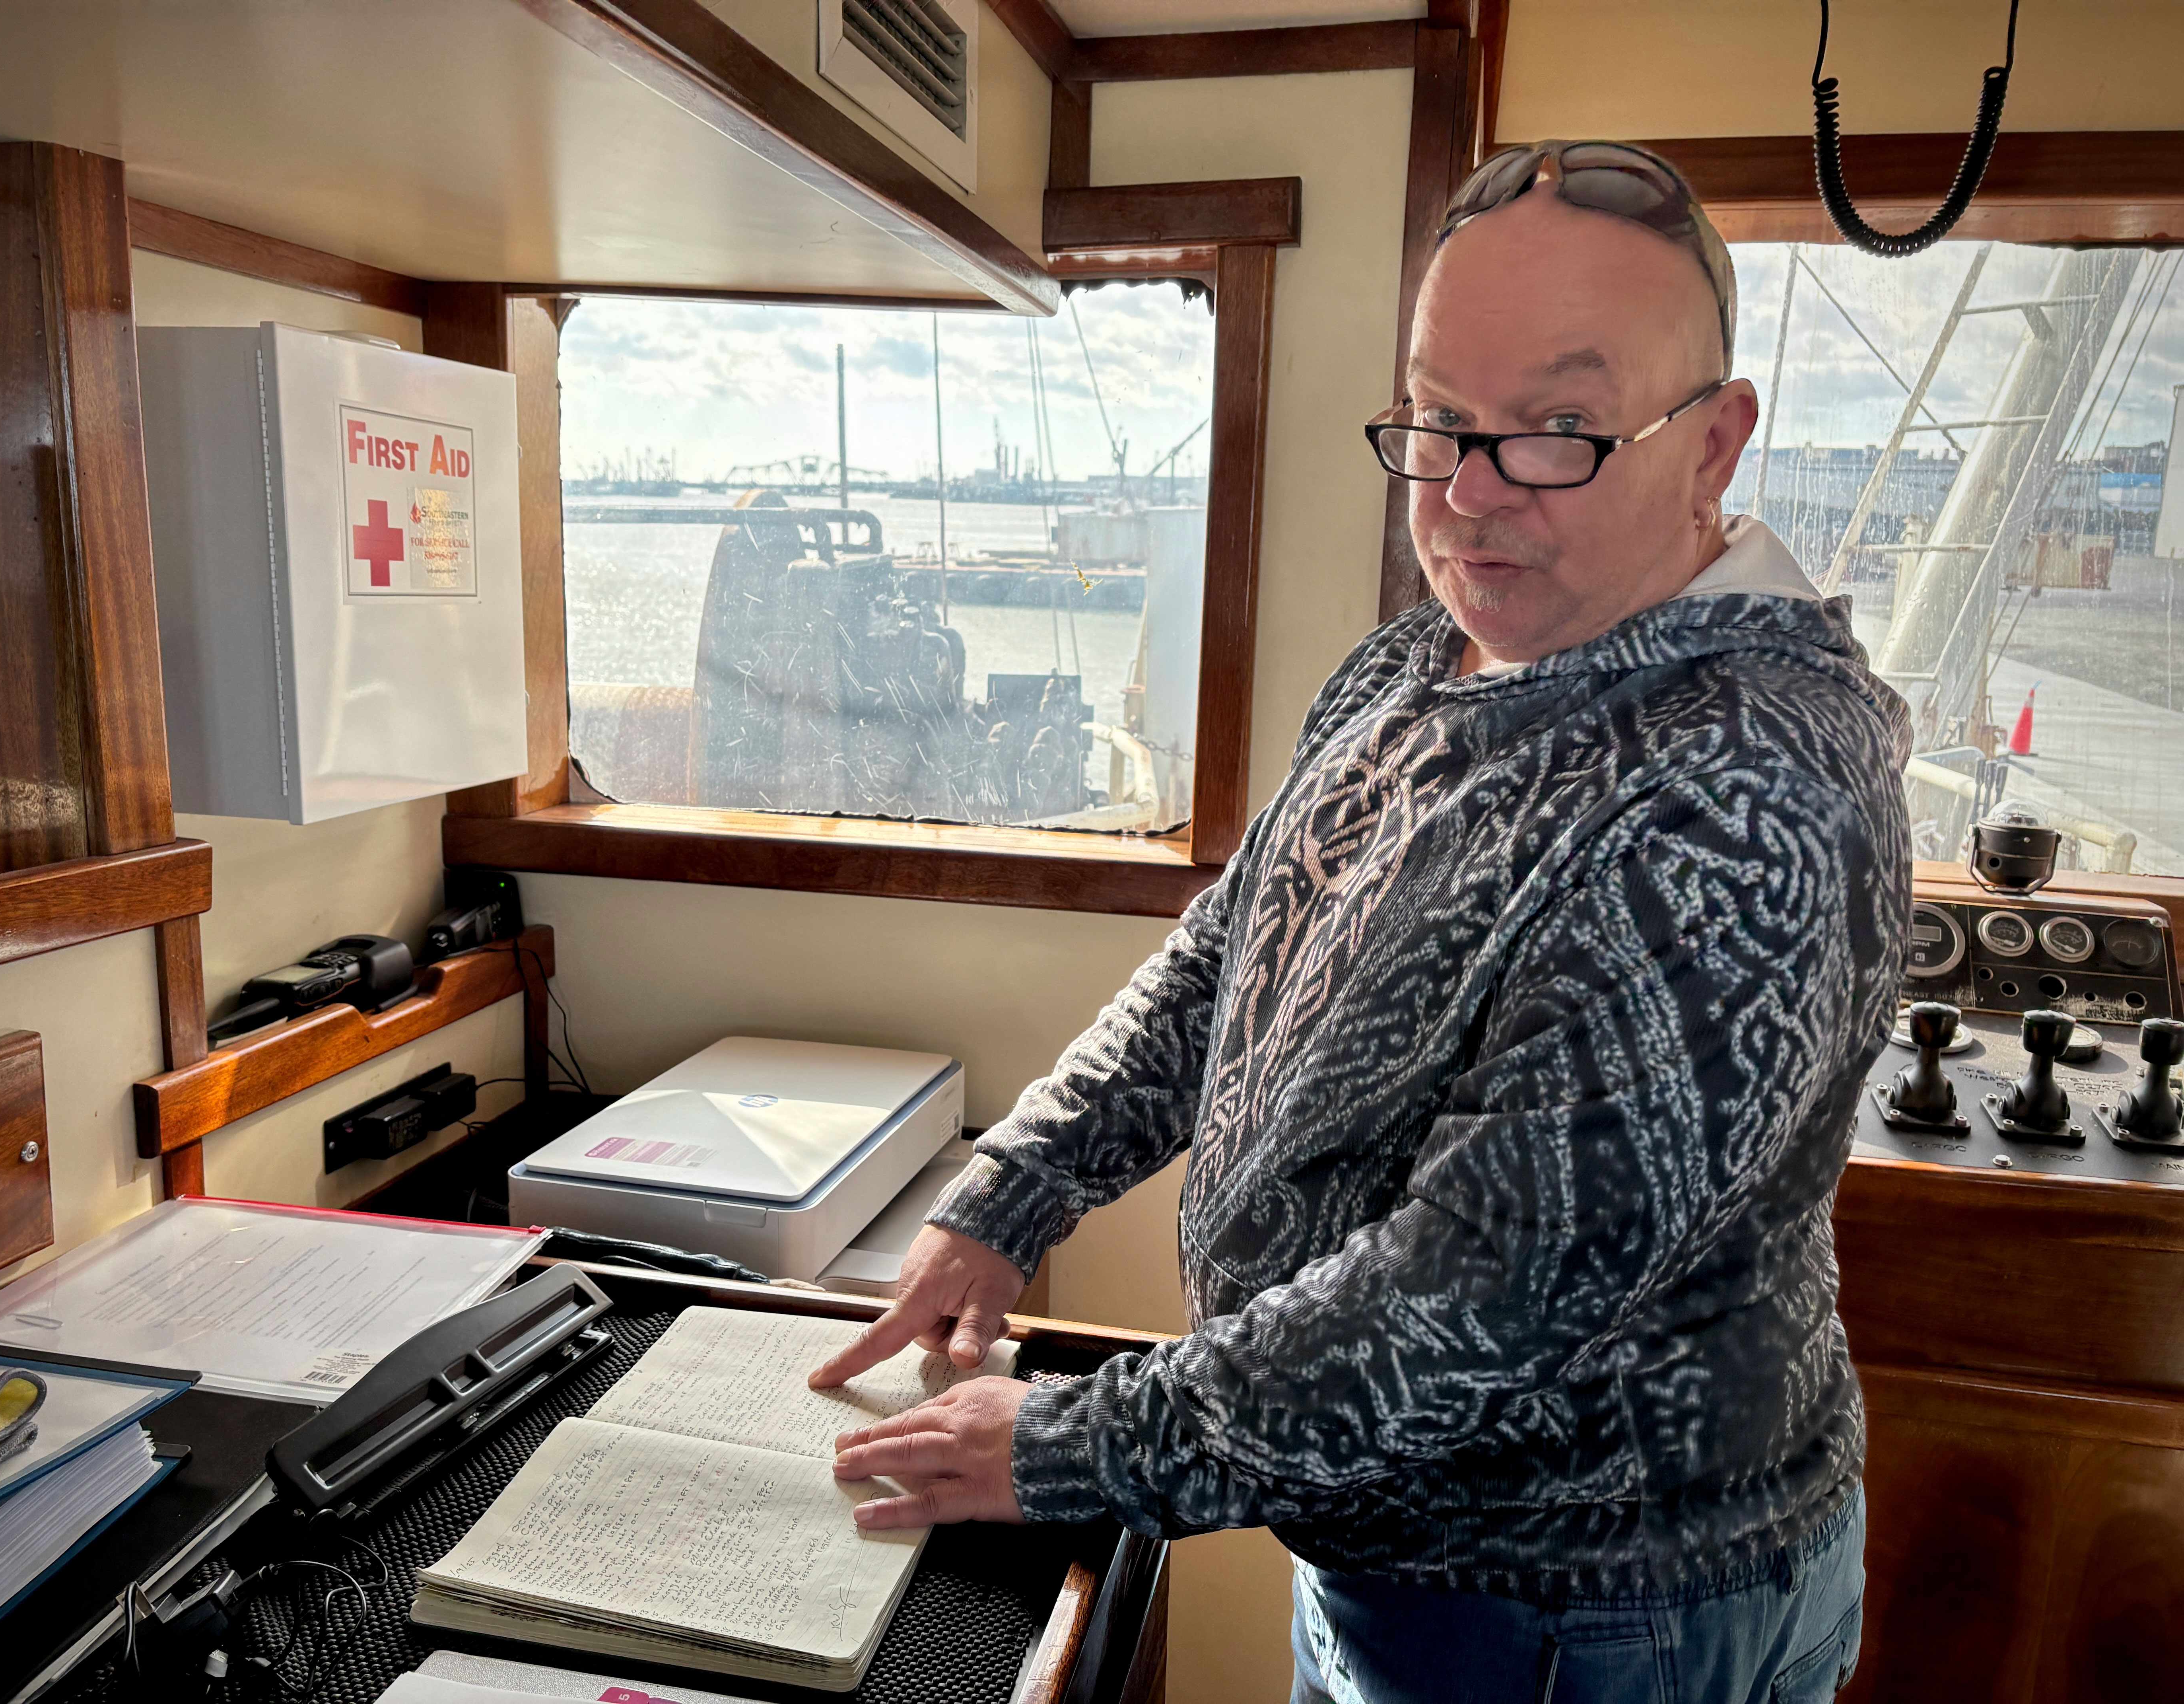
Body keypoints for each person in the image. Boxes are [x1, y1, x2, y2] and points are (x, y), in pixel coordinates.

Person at [812, 141, 1912, 1703]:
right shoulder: (1418, 667)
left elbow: (1489, 1293)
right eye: (1442, 422)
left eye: (1553, 433)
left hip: (1590, 1615)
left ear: (1715, 444)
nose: (1466, 498)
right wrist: (1017, 1187)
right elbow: (1230, 953)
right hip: (1396, 1551)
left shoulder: (1751, 790)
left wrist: (1075, 1445)